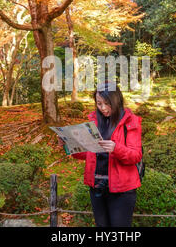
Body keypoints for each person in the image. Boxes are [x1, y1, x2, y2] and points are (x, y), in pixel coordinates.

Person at [58, 81, 143, 227]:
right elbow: (88, 153)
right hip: (97, 186)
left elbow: (135, 155)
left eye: (106, 103)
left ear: (116, 100)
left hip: (121, 190)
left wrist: (116, 149)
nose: (102, 108)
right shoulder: (95, 121)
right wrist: (69, 144)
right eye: (99, 103)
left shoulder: (131, 121)